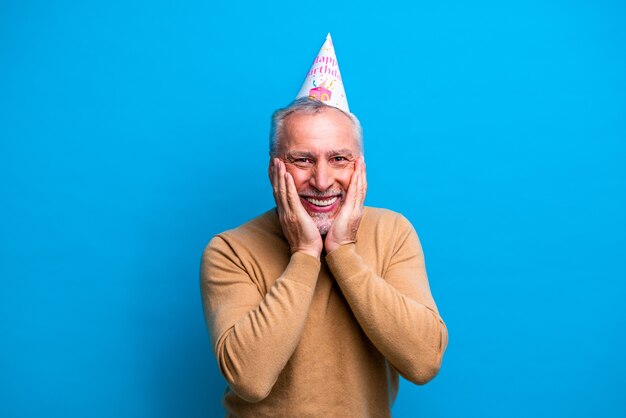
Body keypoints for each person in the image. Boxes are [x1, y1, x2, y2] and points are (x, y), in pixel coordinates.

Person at [200, 34, 448, 417]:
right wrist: (304, 253)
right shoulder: (230, 250)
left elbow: (422, 362)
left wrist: (343, 251)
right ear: (274, 169)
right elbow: (249, 379)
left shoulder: (393, 233)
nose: (321, 180)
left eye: (338, 158)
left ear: (359, 167)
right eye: (302, 159)